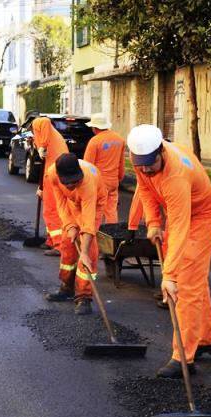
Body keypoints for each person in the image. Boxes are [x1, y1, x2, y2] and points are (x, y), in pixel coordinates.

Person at [127, 124, 211, 379]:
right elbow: (146, 189)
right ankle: (208, 338)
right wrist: (154, 223)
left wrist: (168, 276)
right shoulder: (141, 160)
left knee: (186, 283)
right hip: (178, 212)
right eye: (141, 165)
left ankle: (183, 357)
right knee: (195, 278)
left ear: (161, 151)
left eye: (151, 164)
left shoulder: (175, 176)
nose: (146, 170)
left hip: (202, 216)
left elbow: (181, 227)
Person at [44, 153, 108, 315]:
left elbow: (88, 223)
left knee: (90, 251)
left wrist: (84, 252)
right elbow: (61, 202)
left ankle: (84, 297)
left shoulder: (87, 183)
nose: (72, 184)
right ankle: (67, 288)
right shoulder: (52, 173)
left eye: (75, 181)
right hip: (72, 204)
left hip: (94, 204)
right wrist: (70, 224)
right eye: (68, 182)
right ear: (59, 177)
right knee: (67, 245)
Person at [32, 117, 70, 256]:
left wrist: (42, 145)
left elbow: (45, 120)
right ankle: (51, 240)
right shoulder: (54, 137)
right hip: (56, 171)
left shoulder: (38, 123)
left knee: (52, 210)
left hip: (56, 172)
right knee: (54, 208)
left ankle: (59, 245)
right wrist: (41, 188)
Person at [83, 113, 126, 223]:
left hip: (99, 183)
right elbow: (121, 163)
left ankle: (95, 236)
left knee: (96, 211)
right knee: (111, 210)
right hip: (113, 181)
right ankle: (112, 234)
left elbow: (87, 166)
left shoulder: (94, 142)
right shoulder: (119, 139)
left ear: (95, 127)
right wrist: (119, 178)